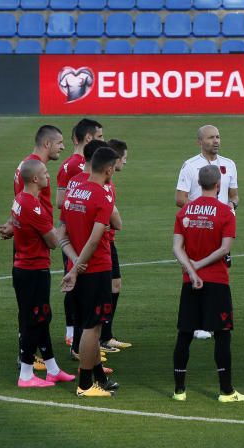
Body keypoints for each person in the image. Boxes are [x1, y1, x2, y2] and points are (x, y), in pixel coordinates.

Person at [171, 165, 244, 403]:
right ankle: (226, 391)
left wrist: (192, 270)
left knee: (184, 334)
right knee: (222, 335)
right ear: (219, 185)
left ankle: (179, 391)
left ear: (198, 184)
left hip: (190, 282)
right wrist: (201, 266)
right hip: (217, 281)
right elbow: (225, 249)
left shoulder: (185, 212)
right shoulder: (226, 213)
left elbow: (176, 248)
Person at [58, 146, 122, 397]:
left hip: (79, 264)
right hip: (96, 268)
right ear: (108, 169)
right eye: (115, 168)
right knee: (92, 327)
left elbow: (61, 232)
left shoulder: (74, 187)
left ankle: (98, 378)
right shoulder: (102, 195)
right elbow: (96, 239)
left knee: (88, 323)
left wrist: (74, 263)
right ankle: (85, 385)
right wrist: (78, 268)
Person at [9, 159, 77, 388]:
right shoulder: (33, 207)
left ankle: (52, 369)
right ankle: (26, 375)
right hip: (33, 270)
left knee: (41, 317)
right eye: (45, 173)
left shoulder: (20, 200)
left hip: (25, 268)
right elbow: (53, 242)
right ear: (35, 179)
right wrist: (67, 221)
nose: (49, 177)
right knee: (34, 320)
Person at [176, 125, 238, 340]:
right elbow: (179, 198)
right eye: (211, 138)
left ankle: (212, 318)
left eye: (218, 137)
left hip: (221, 227)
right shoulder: (190, 166)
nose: (216, 141)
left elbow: (235, 196)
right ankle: (198, 322)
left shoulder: (229, 165)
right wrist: (203, 210)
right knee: (196, 267)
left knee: (220, 269)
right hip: (198, 227)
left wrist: (230, 206)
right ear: (200, 142)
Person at [56, 119, 103, 346]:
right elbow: (61, 202)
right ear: (88, 139)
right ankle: (77, 338)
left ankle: (77, 337)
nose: (103, 141)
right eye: (100, 137)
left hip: (71, 233)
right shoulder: (79, 168)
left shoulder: (69, 164)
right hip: (79, 235)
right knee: (78, 287)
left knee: (76, 283)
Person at [98, 139, 131, 352]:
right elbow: (114, 219)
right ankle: (99, 338)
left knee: (115, 284)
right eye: (125, 158)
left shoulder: (109, 183)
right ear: (116, 159)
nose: (126, 163)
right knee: (107, 287)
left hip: (108, 240)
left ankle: (106, 335)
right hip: (103, 242)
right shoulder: (104, 184)